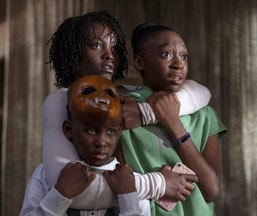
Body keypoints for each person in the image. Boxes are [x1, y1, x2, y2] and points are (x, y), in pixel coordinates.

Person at [42, 10, 211, 210]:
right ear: (74, 54)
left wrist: (145, 113)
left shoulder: (128, 95)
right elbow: (72, 192)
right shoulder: (60, 99)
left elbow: (201, 92)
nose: (109, 55)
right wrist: (158, 183)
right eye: (97, 45)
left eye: (114, 48)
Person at [21, 75, 197, 215]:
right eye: (91, 131)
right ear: (68, 130)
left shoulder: (128, 179)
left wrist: (128, 196)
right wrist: (60, 194)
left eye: (111, 132)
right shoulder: (45, 175)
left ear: (120, 131)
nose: (101, 142)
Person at [115, 22, 228, 216]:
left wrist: (174, 123)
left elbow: (211, 190)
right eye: (166, 54)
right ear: (140, 62)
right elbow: (118, 181)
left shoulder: (205, 116)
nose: (178, 63)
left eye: (184, 56)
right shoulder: (124, 109)